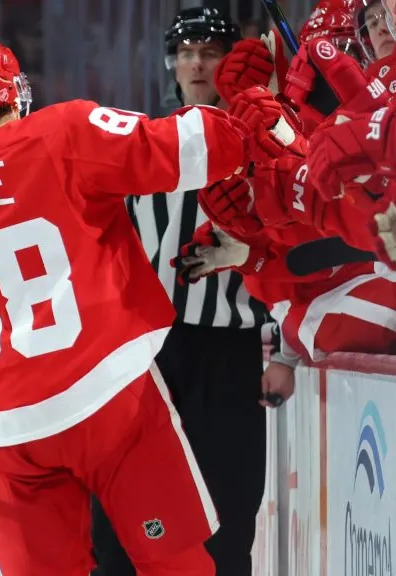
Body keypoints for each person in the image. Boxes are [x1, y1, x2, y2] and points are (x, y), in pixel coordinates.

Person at [0, 28, 249, 575]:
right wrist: (255, 109)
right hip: (112, 395)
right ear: (14, 88)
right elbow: (187, 148)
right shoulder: (64, 130)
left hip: (7, 431)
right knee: (176, 565)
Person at [94, 8, 269, 576]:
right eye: (187, 52)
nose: (197, 64)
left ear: (232, 62)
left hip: (229, 351)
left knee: (229, 498)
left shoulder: (264, 141)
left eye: (210, 52)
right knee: (125, 493)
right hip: (149, 349)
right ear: (172, 63)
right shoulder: (144, 145)